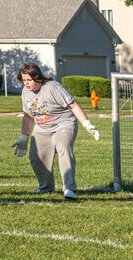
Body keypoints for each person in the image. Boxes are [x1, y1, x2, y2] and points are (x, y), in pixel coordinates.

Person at [11, 63, 100, 200]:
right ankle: (46, 188)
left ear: (38, 77)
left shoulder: (53, 87)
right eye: (24, 80)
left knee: (63, 147)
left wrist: (87, 124)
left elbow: (73, 106)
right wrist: (23, 137)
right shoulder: (25, 92)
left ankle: (69, 188)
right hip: (42, 127)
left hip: (63, 124)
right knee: (36, 158)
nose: (26, 83)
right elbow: (28, 115)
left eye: (29, 80)